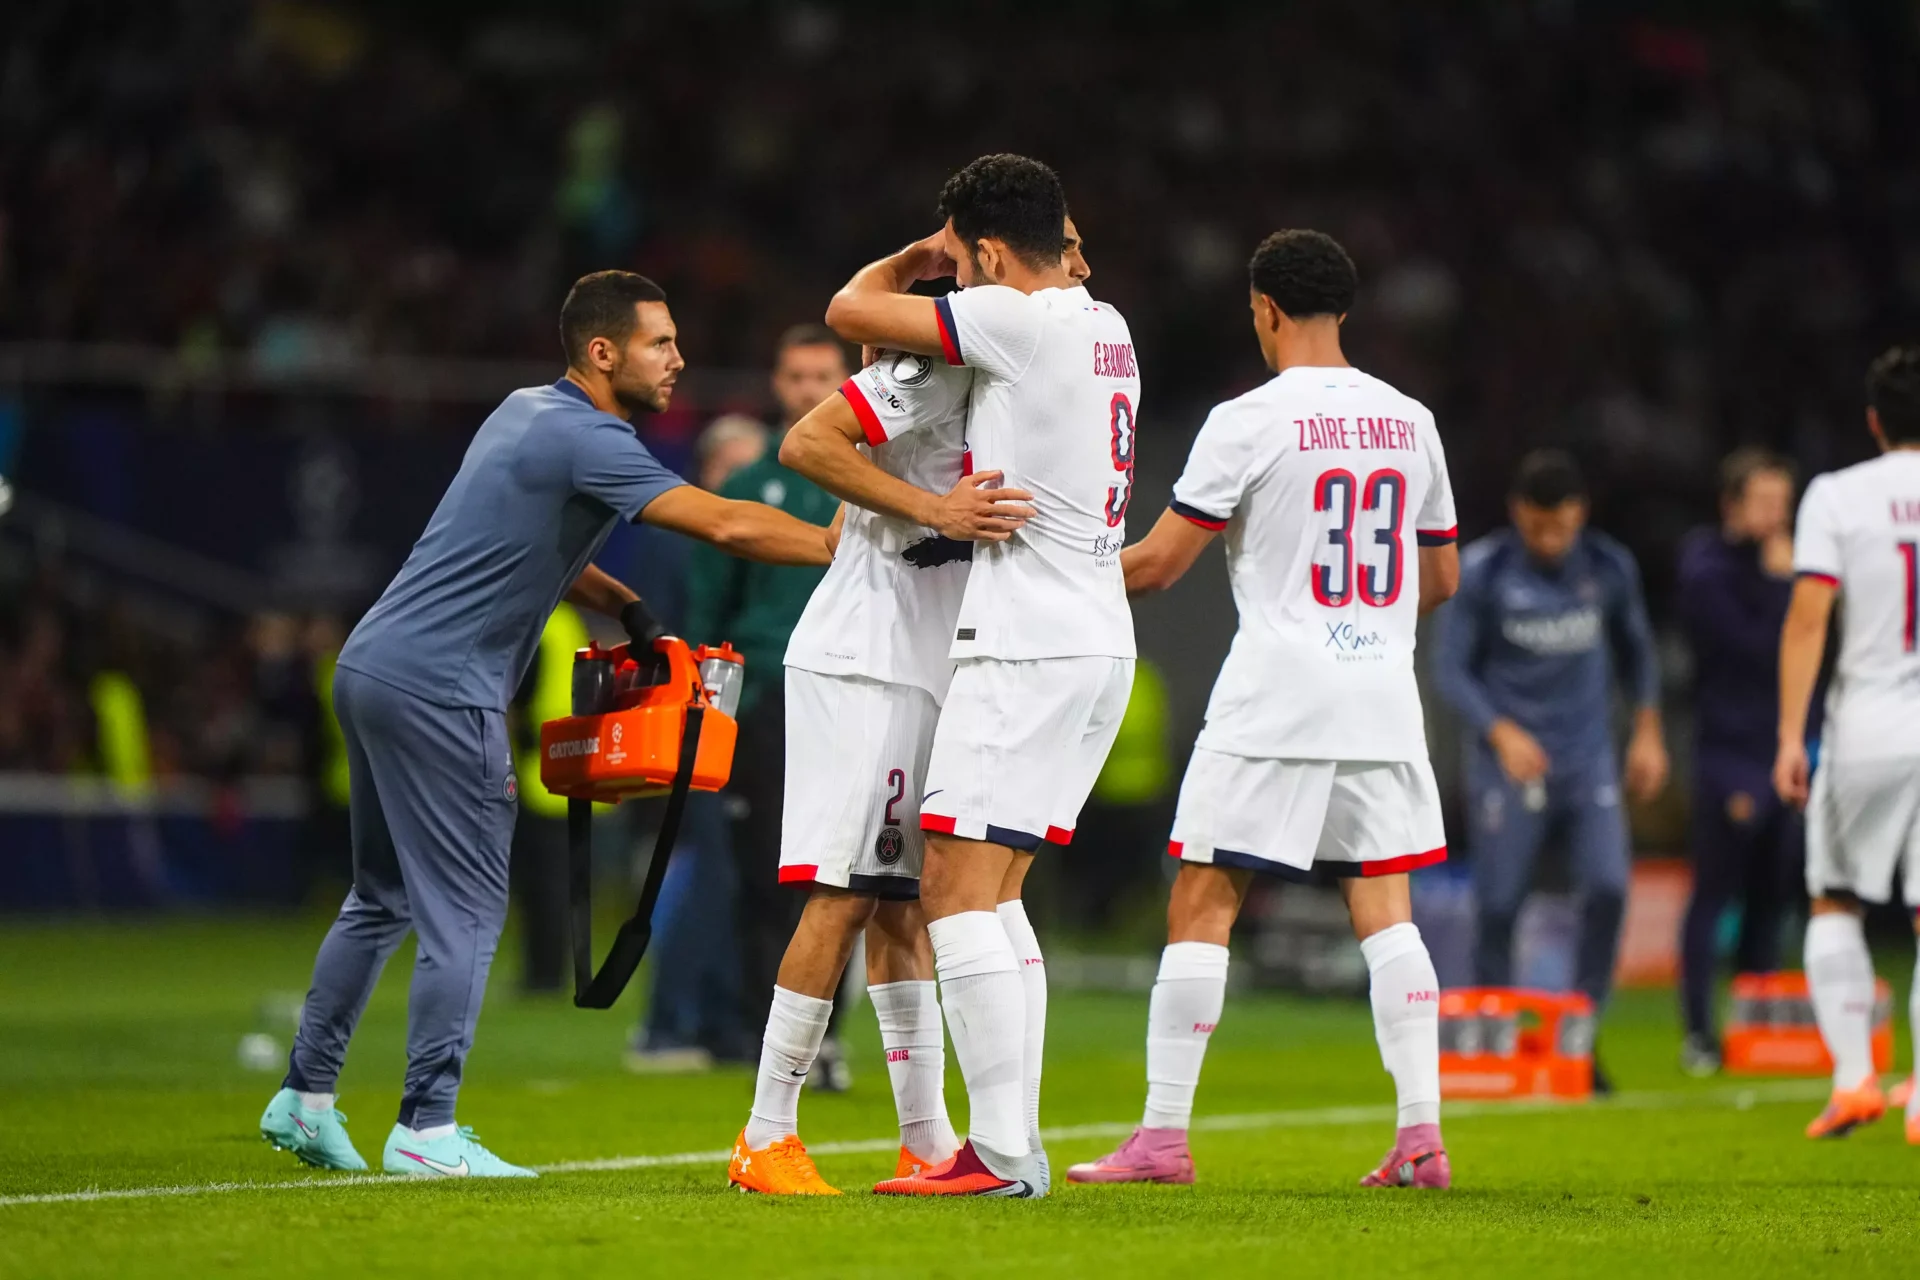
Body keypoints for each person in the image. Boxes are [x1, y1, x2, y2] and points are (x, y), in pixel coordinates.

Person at [257, 270, 834, 1178]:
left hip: (373, 666)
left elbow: (510, 540)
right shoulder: (594, 440)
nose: (679, 358)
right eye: (660, 343)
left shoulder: (524, 410)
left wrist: (627, 605)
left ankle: (306, 1095)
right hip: (445, 690)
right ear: (602, 353)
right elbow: (723, 523)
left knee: (381, 900)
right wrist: (843, 541)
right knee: (470, 916)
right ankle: (427, 1127)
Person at [1066, 228, 1462, 1190]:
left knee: (1205, 898)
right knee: (1387, 910)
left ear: (1265, 311)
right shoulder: (1410, 419)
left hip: (1277, 693)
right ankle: (1421, 1134)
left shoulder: (1246, 418)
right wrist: (1359, 623)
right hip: (1379, 691)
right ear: (1344, 309)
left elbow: (1158, 565)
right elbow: (1441, 575)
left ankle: (1162, 1137)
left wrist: (1055, 581)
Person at [722, 220, 1092, 1195]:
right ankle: (766, 1132)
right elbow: (809, 439)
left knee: (908, 903)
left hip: (937, 660)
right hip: (866, 657)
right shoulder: (941, 364)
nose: (1081, 272)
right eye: (1067, 252)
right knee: (843, 891)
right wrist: (933, 510)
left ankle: (926, 1137)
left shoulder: (1010, 377)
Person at [828, 154, 1139, 1198]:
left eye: (962, 258)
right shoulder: (1108, 325)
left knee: (954, 886)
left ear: (995, 254)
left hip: (1027, 640)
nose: (951, 275)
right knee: (998, 894)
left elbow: (848, 309)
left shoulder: (1019, 318)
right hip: (1096, 634)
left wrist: (913, 256)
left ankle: (999, 1152)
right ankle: (1016, 1144)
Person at [1434, 449, 1667, 1092]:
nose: (1548, 539)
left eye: (1559, 526)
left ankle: (1579, 1039)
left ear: (1579, 514)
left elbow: (1638, 654)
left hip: (1586, 757)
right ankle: (1490, 1040)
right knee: (1501, 901)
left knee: (1610, 888)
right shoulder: (1484, 571)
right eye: (1537, 526)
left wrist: (1647, 732)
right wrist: (1500, 730)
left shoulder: (1608, 566)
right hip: (1512, 766)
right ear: (1518, 514)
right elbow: (1451, 668)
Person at [682, 326, 854, 1088]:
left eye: (823, 373)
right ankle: (768, 1036)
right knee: (763, 876)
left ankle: (828, 1038)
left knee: (849, 878)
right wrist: (709, 714)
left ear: (844, 379)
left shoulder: (875, 476)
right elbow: (709, 611)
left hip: (853, 697)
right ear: (777, 385)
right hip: (766, 703)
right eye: (796, 375)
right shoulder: (747, 488)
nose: (809, 387)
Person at [1773, 344, 1920, 1143]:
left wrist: (1792, 735)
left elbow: (1809, 614)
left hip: (1868, 725)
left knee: (1834, 898)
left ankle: (1855, 1078)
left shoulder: (1838, 495)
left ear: (1874, 421)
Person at [1673, 449, 1802, 1074]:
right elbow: (1753, 651)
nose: (1778, 516)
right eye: (1765, 503)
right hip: (1728, 753)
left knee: (1772, 894)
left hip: (1786, 750)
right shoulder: (1705, 566)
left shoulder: (1796, 562)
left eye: (1784, 503)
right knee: (1715, 892)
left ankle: (1756, 1024)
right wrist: (1784, 587)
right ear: (1732, 504)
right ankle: (1699, 1031)